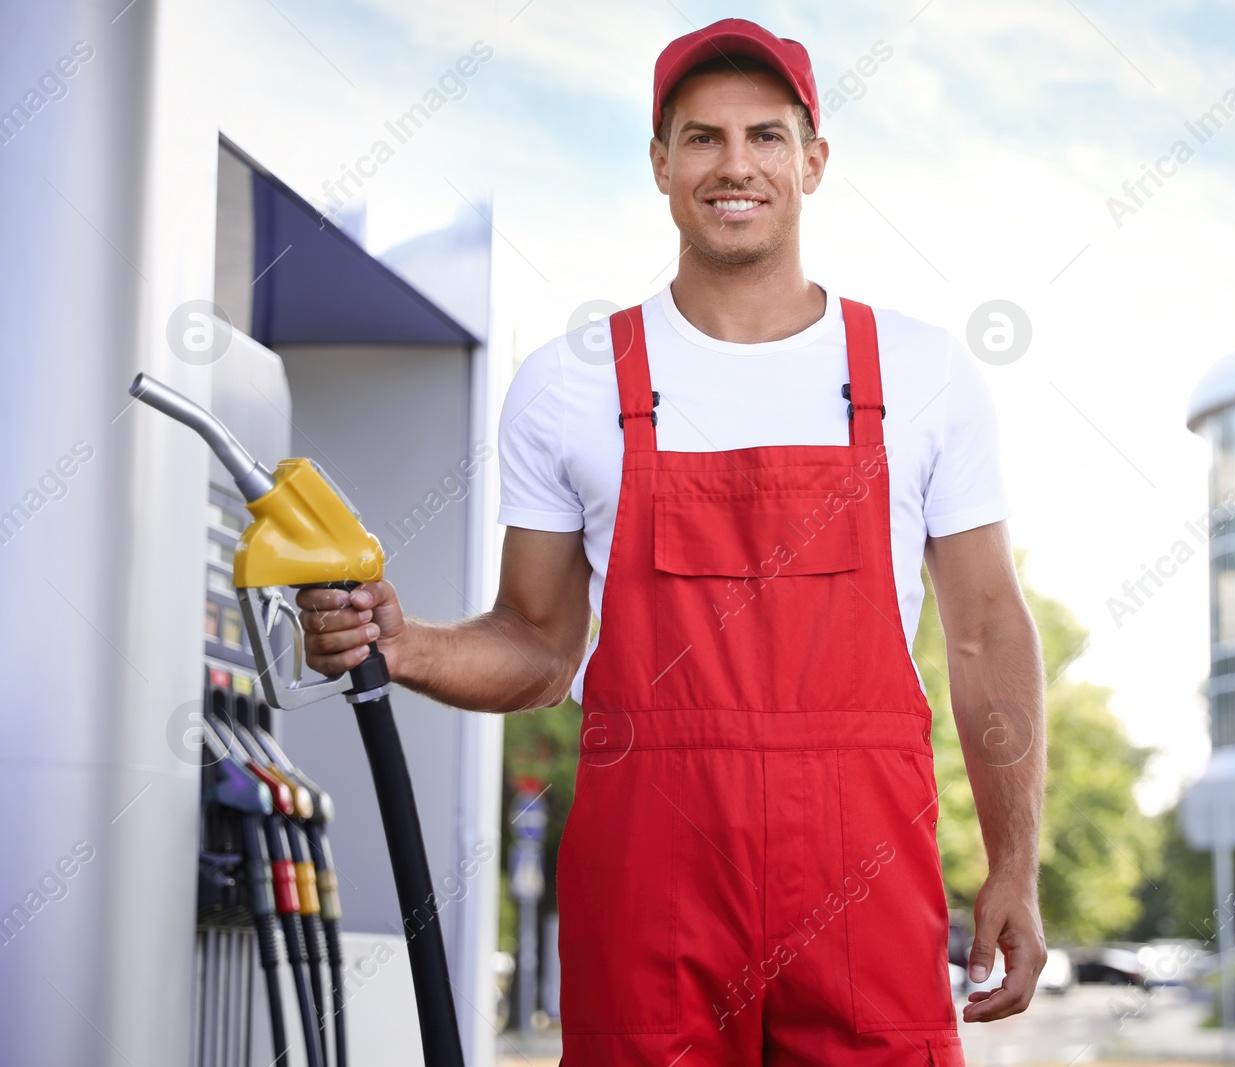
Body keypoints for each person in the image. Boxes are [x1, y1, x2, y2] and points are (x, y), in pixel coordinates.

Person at [298, 18, 1045, 1066]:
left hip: (862, 880)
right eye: (701, 138)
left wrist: (1016, 860)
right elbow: (541, 644)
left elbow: (984, 629)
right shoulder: (569, 384)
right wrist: (405, 640)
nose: (733, 164)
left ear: (811, 160)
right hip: (653, 886)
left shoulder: (921, 373)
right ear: (660, 162)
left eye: (765, 136)